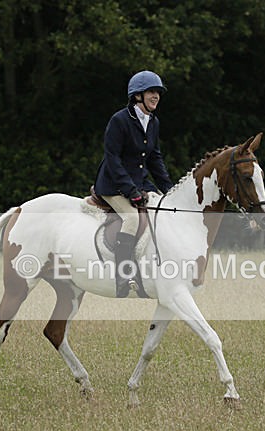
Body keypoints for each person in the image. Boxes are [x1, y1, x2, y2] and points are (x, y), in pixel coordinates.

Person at [94, 70, 173, 297]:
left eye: (158, 92)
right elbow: (113, 159)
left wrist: (169, 190)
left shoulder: (153, 121)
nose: (156, 96)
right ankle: (123, 276)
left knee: (163, 210)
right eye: (151, 92)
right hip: (113, 185)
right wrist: (130, 190)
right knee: (131, 218)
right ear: (137, 95)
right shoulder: (119, 120)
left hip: (139, 183)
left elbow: (154, 159)